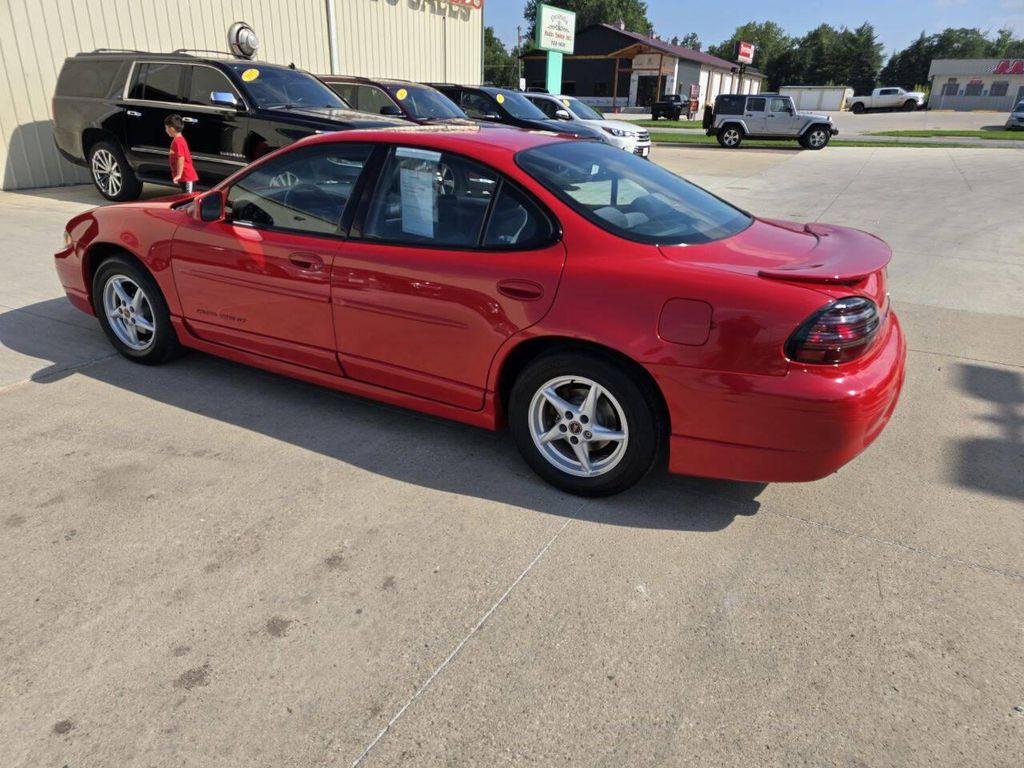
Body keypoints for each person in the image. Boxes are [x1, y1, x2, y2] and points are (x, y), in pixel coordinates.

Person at [164, 114, 199, 193]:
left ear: (172, 129)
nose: (166, 130)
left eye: (166, 128)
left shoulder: (178, 141)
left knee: (189, 198)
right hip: (184, 178)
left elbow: (181, 158)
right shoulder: (177, 140)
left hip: (187, 177)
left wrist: (179, 175)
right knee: (186, 197)